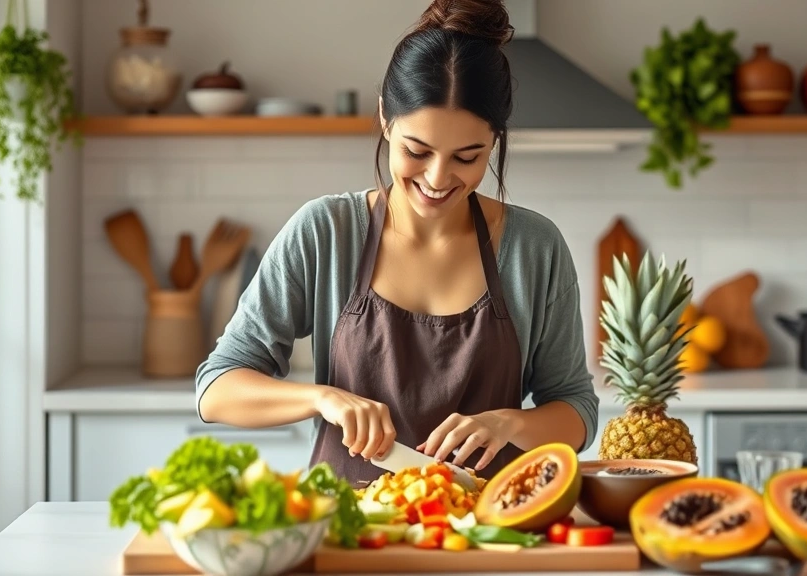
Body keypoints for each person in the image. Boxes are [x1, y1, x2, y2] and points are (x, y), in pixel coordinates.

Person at [195, 0, 598, 484]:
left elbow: (577, 410)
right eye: (416, 151)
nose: (438, 177)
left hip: (488, 535)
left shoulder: (535, 247)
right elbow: (216, 388)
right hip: (349, 531)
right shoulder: (326, 231)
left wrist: (512, 422)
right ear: (386, 117)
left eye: (467, 157)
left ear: (495, 140)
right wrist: (321, 398)